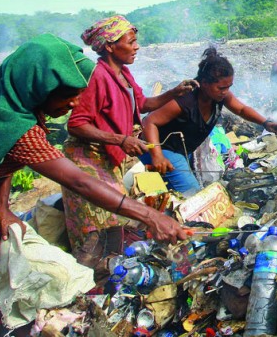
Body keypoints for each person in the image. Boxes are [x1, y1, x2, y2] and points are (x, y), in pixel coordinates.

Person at [0, 34, 190, 336]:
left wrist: (3, 208)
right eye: (68, 97)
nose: (75, 103)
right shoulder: (15, 127)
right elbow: (79, 180)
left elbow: (1, 159)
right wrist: (152, 216)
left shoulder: (12, 104)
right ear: (39, 89)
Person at [62, 15, 197, 252]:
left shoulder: (124, 74)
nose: (137, 47)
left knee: (113, 218)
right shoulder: (98, 76)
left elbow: (142, 104)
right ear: (109, 46)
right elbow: (76, 124)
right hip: (87, 158)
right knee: (97, 221)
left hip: (107, 157)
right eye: (131, 42)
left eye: (136, 41)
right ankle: (92, 272)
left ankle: (108, 266)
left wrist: (175, 92)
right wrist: (120, 139)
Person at [141, 47, 277, 193]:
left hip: (183, 150)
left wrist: (266, 123)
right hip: (163, 148)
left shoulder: (220, 96)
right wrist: (157, 155)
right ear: (204, 83)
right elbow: (149, 122)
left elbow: (241, 109)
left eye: (228, 87)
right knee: (192, 193)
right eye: (221, 88)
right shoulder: (186, 100)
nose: (225, 92)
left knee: (178, 191)